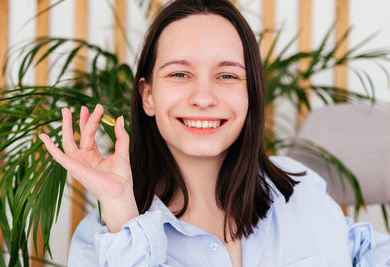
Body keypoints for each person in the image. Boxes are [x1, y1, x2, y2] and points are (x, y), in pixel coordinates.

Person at [39, 0, 390, 266]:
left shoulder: (299, 187)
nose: (204, 98)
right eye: (179, 74)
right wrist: (121, 212)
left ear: (250, 92)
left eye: (227, 76)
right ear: (147, 95)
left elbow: (363, 250)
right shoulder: (101, 241)